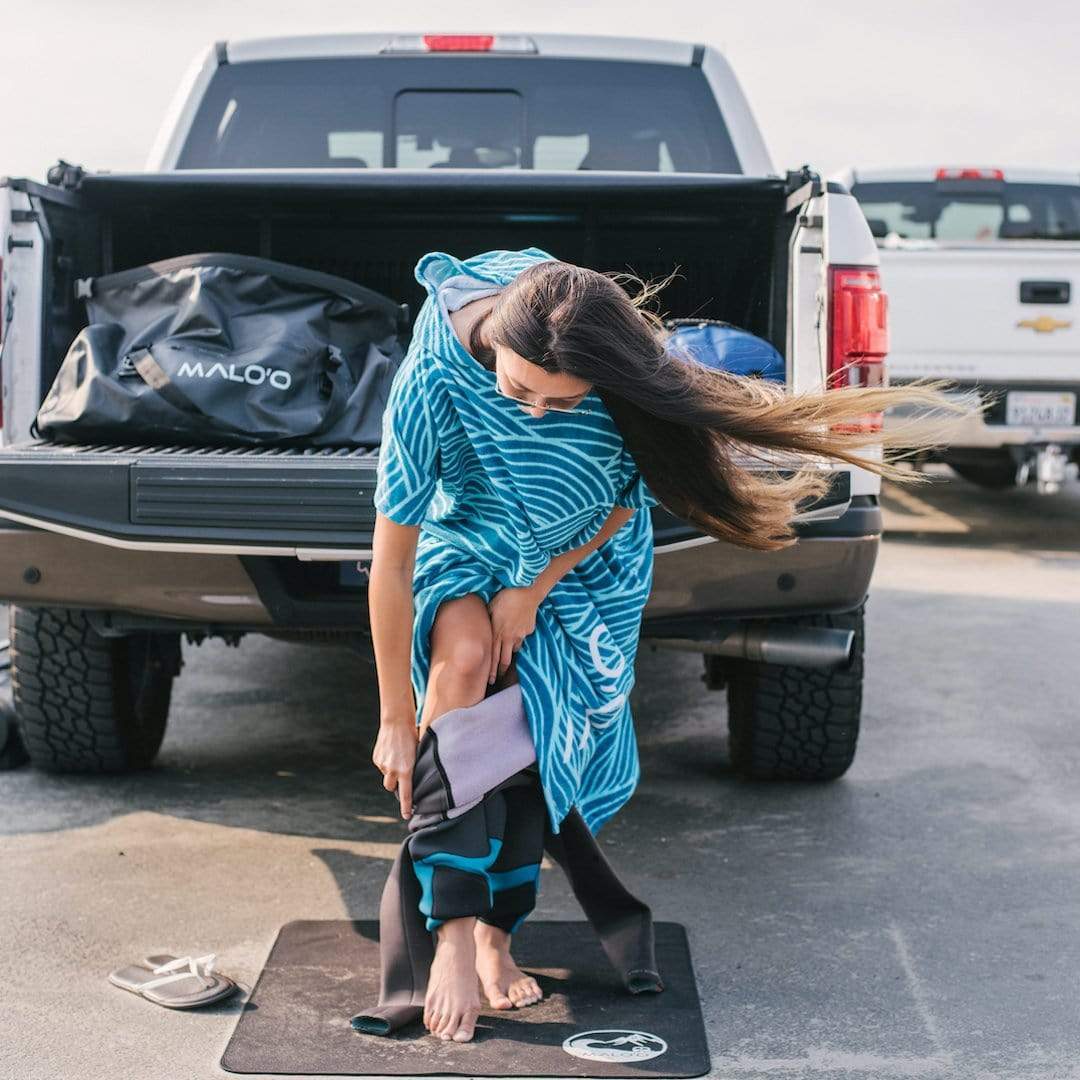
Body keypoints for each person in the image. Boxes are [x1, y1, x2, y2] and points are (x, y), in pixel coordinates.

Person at [367, 247, 977, 1044]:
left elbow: (622, 503)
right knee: (464, 671)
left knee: (539, 738)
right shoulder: (435, 375)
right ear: (496, 350)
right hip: (470, 536)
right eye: (518, 389)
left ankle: (496, 935)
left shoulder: (618, 367)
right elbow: (392, 558)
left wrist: (535, 588)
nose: (535, 415)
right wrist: (391, 716)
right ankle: (451, 931)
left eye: (562, 402)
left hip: (579, 557)